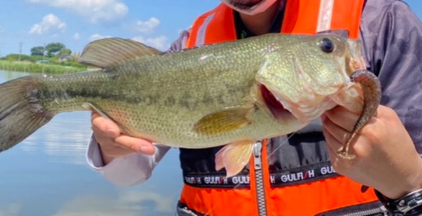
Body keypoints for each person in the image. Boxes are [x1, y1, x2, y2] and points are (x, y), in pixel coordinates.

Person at [86, 0, 422, 215]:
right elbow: (130, 173)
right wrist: (110, 148)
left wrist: (409, 181)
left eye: (325, 47)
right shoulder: (187, 46)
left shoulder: (381, 23)